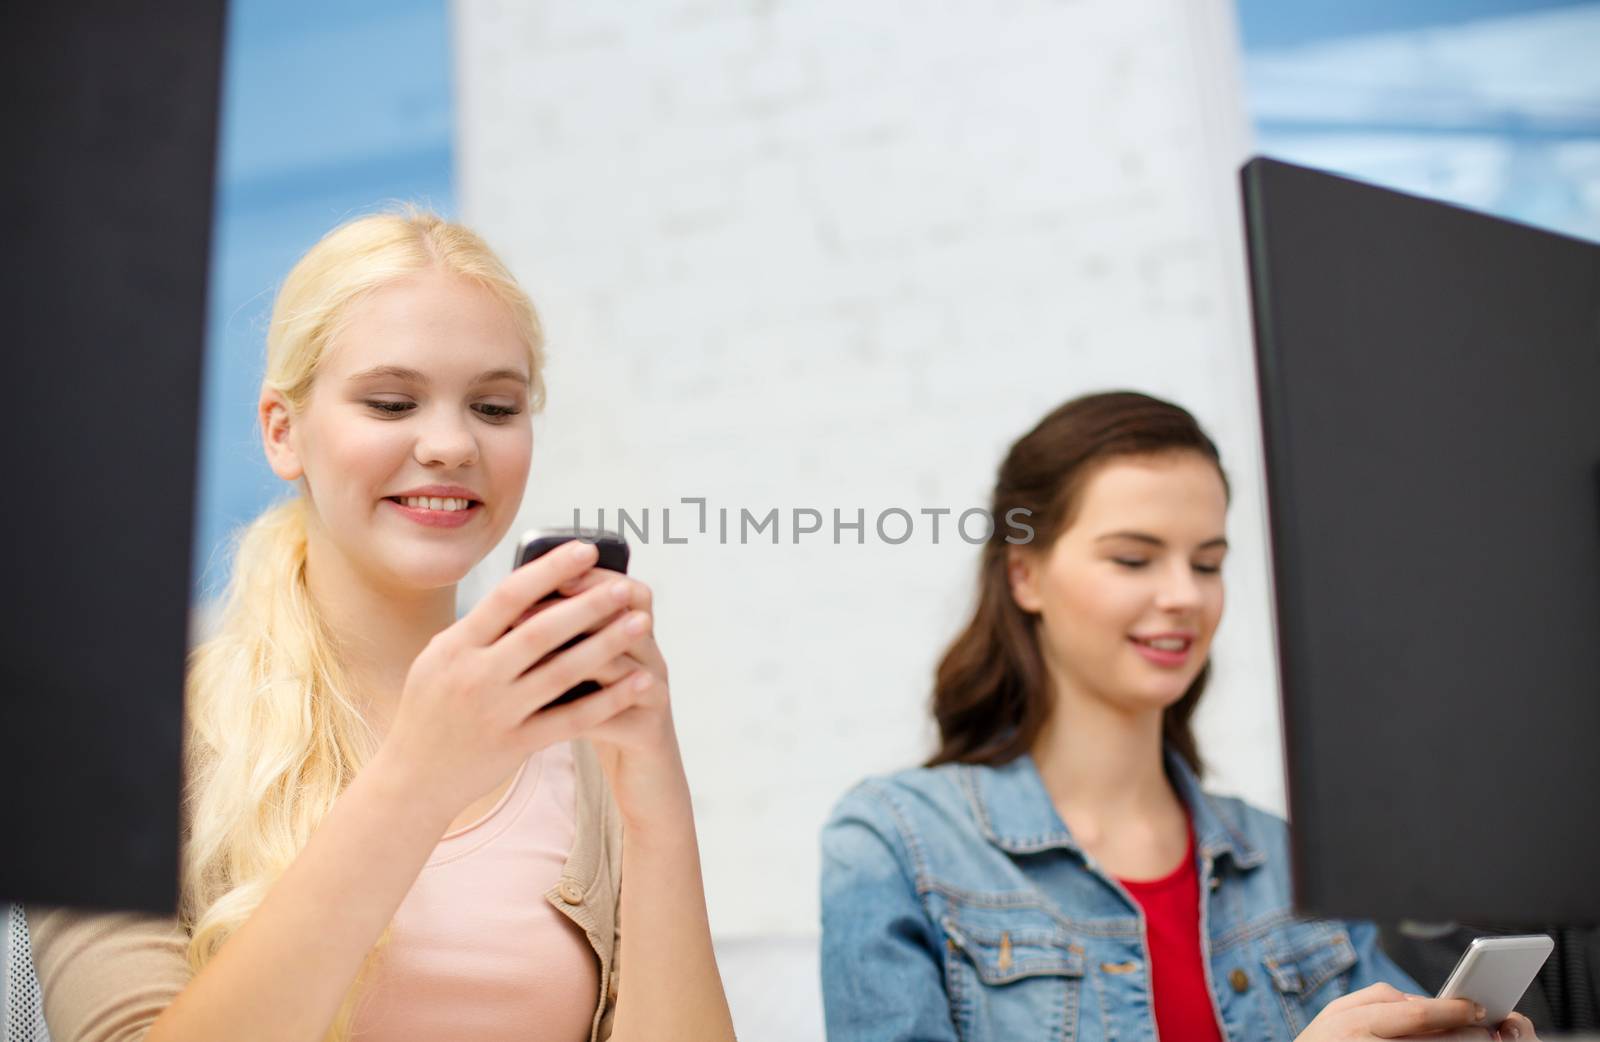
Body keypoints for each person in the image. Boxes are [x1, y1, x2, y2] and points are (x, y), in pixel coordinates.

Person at [26, 209, 736, 1042]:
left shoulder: (582, 744)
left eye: (495, 407)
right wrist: (419, 776)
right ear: (281, 431)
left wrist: (659, 810)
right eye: (393, 402)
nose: (449, 444)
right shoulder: (118, 742)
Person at [819, 391, 1538, 1042]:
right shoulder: (897, 843)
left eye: (1207, 563)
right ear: (1024, 575)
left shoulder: (1285, 859)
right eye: (1134, 559)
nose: (1183, 597)